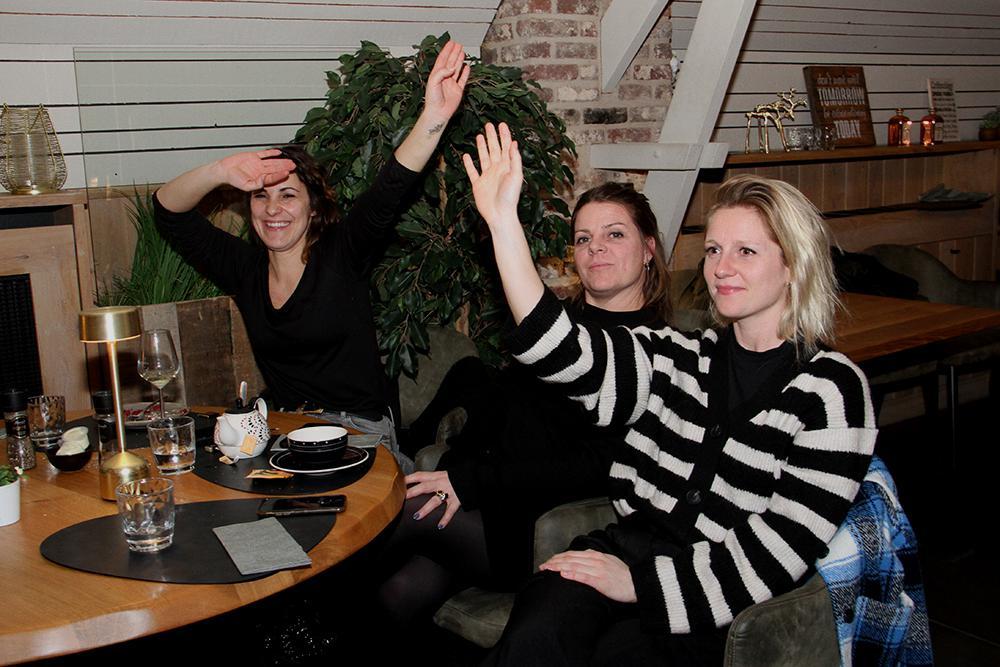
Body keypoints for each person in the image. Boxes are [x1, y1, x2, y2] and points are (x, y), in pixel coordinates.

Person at [462, 122, 877, 665]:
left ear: (793, 265)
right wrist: (503, 224)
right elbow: (562, 352)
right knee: (536, 633)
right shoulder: (682, 355)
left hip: (717, 594)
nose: (721, 268)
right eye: (714, 249)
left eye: (746, 251)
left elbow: (780, 549)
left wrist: (641, 585)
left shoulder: (832, 391)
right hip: (627, 548)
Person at [153, 42, 469, 473]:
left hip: (360, 432)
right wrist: (220, 171)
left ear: (313, 208)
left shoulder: (342, 253)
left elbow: (389, 190)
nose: (273, 209)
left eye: (288, 195)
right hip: (287, 433)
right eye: (260, 197)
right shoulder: (245, 269)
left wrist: (434, 116)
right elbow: (168, 212)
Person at [376, 182, 671, 631]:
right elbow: (502, 409)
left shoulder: (659, 352)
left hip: (537, 525)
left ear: (648, 248)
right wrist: (458, 470)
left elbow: (598, 464)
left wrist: (470, 482)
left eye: (614, 234)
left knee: (388, 515)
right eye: (584, 238)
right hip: (488, 500)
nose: (596, 248)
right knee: (396, 595)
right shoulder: (556, 330)